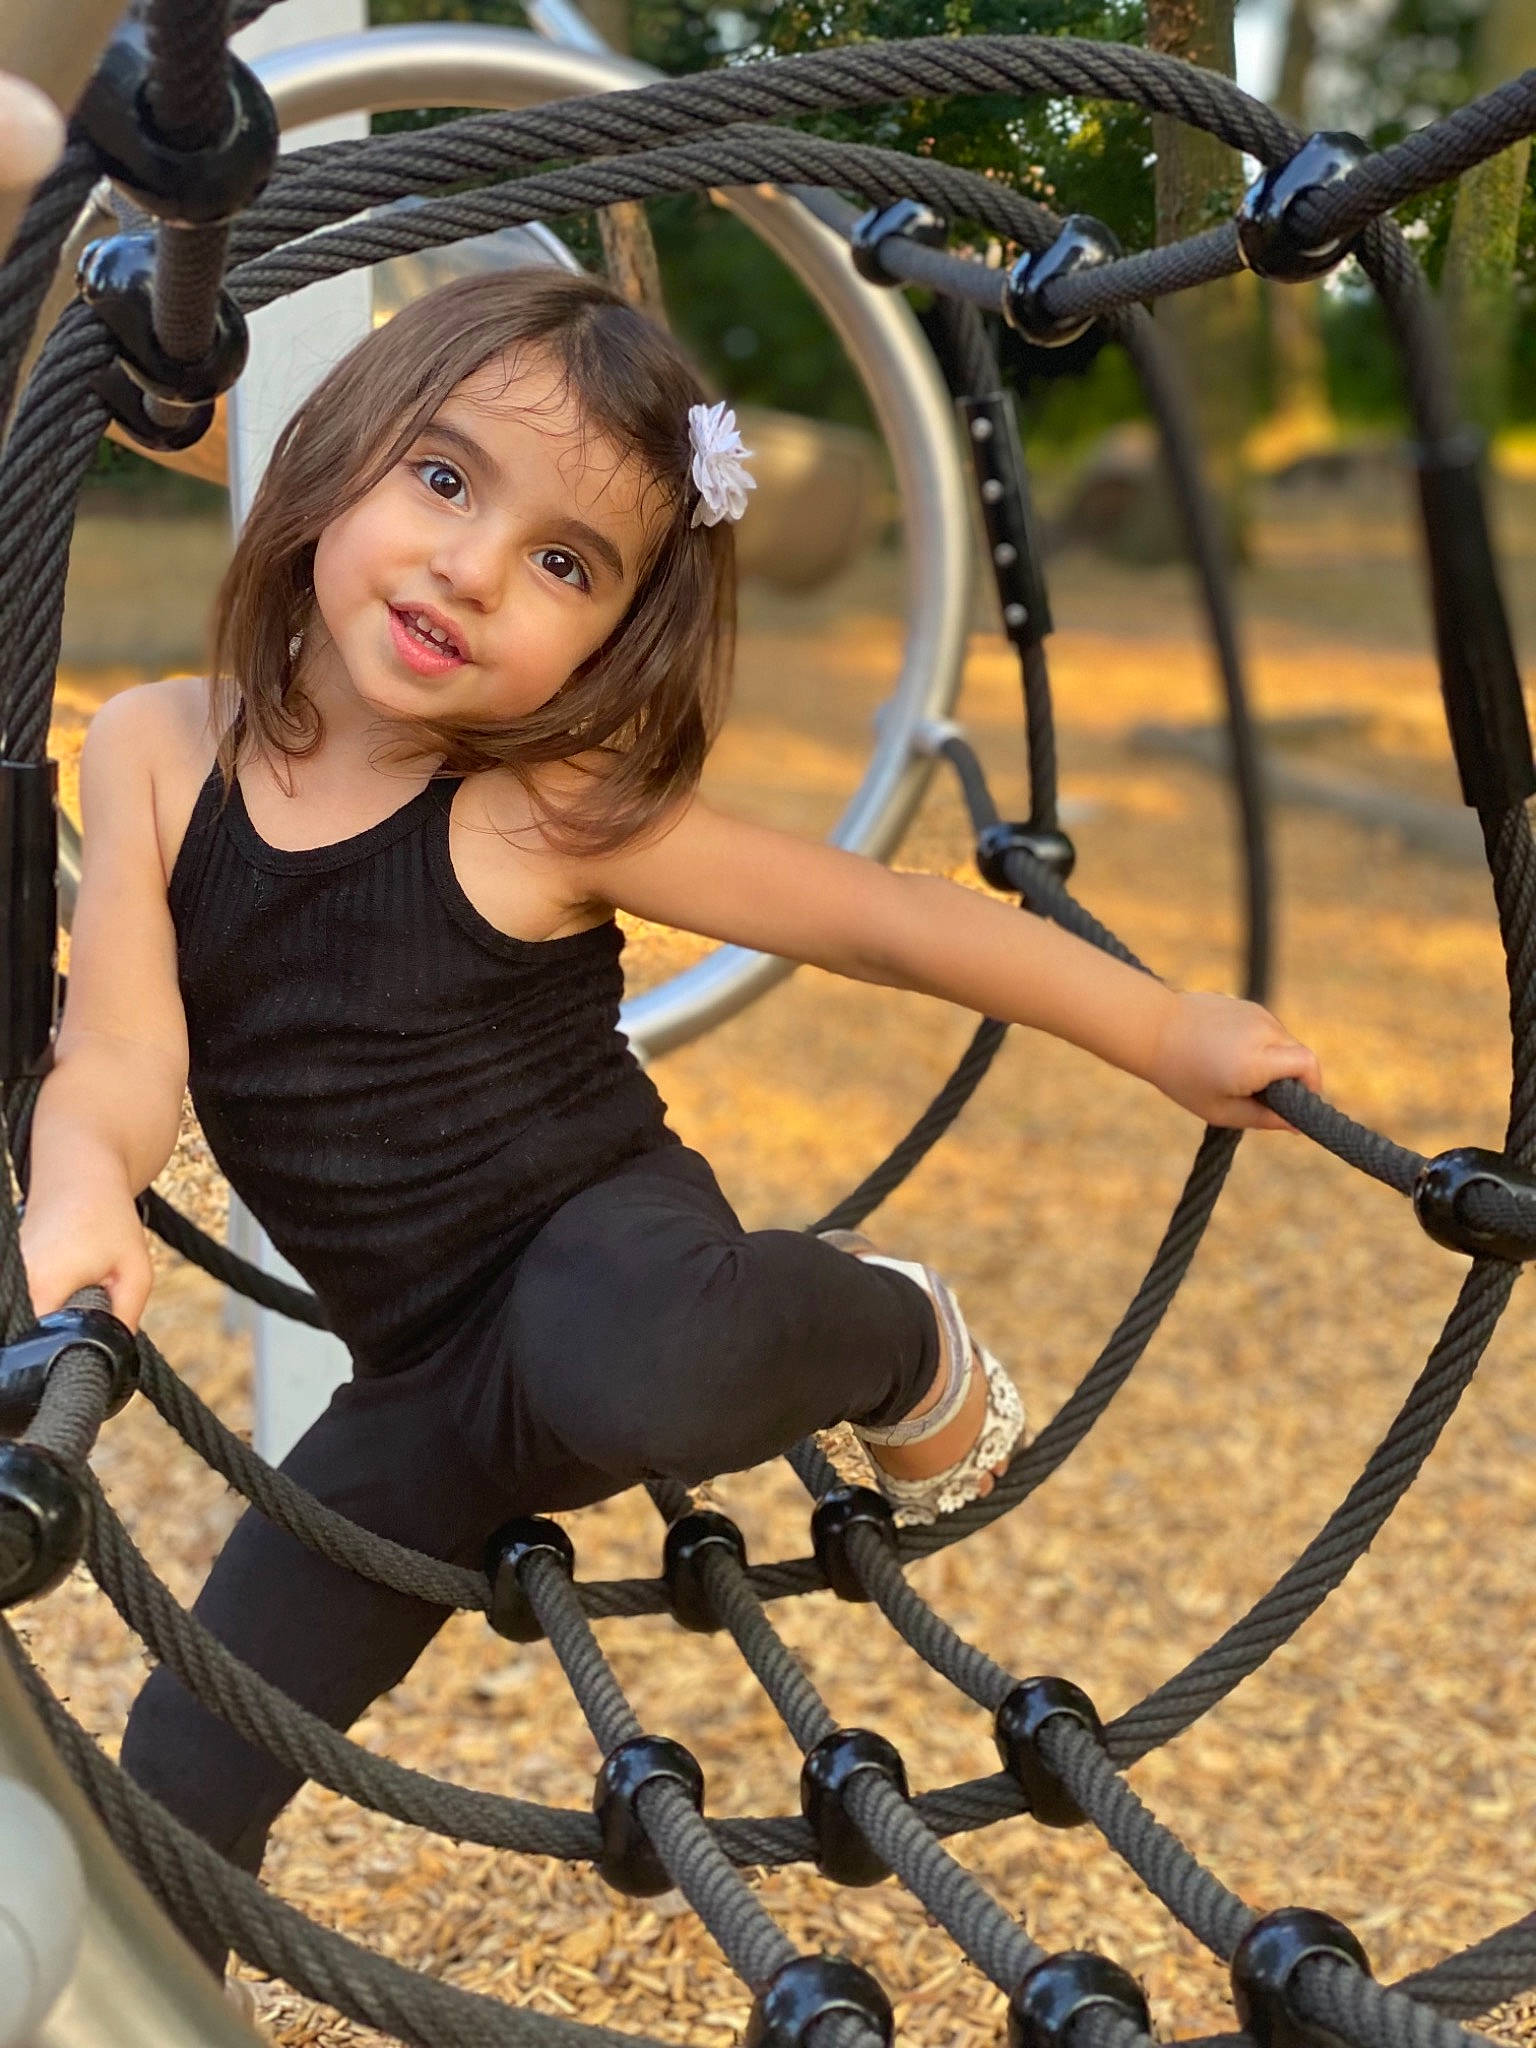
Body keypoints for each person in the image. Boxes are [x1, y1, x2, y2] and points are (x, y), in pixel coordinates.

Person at [19, 269, 1320, 1965]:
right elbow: (118, 1048)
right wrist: (82, 1189)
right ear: (331, 456)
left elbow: (876, 917)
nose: (474, 569)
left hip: (607, 1258)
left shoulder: (544, 804)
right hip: (413, 1378)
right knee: (184, 1756)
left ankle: (891, 1325)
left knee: (636, 1367)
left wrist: (1162, 1026)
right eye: (444, 477)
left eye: (566, 563)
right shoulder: (153, 750)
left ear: (615, 634)